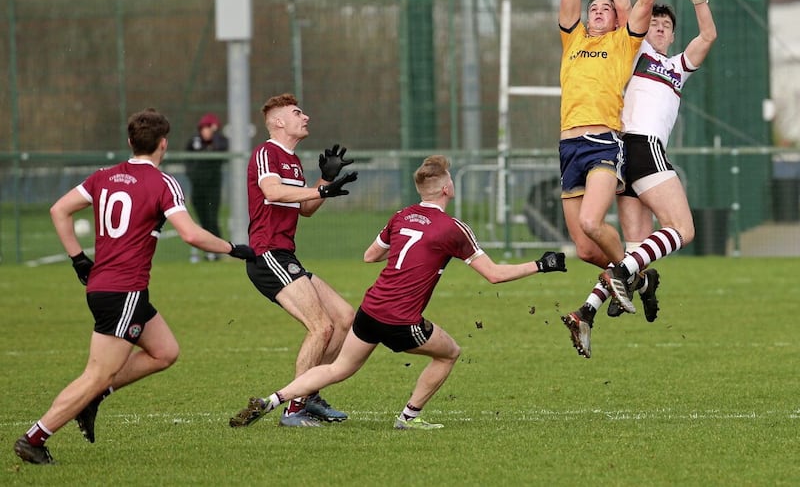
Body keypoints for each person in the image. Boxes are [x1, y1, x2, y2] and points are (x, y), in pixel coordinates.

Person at [228, 155, 567, 431]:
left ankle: (273, 400)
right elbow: (494, 275)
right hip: (401, 319)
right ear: (448, 188)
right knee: (449, 353)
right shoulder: (453, 229)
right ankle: (409, 418)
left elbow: (370, 255)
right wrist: (541, 264)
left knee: (338, 369)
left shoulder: (401, 215)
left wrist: (410, 244)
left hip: (370, 310)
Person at [13, 108, 256, 465]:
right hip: (123, 291)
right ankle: (34, 438)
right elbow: (190, 234)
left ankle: (94, 397)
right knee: (96, 374)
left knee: (165, 351)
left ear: (129, 142)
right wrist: (234, 248)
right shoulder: (162, 183)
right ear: (163, 144)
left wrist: (78, 258)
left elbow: (59, 210)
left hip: (111, 287)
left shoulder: (104, 176)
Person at [562, 0, 717, 357]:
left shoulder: (678, 66)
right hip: (639, 146)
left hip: (624, 160)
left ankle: (586, 311)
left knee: (636, 249)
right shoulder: (637, 52)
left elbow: (707, 37)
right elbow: (631, 9)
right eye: (657, 25)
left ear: (673, 35)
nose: (661, 29)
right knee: (683, 229)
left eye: (668, 27)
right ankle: (630, 276)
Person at [556, 0, 680, 346]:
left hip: (603, 142)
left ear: (614, 19)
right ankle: (640, 281)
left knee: (593, 222)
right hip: (567, 146)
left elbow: (642, 3)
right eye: (595, 7)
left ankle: (627, 278)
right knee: (587, 249)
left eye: (605, 8)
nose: (598, 11)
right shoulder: (573, 39)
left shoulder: (623, 43)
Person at [240, 93, 358, 427]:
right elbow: (273, 193)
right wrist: (321, 191)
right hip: (267, 254)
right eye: (297, 112)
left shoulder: (292, 160)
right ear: (278, 122)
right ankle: (294, 409)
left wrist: (324, 180)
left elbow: (304, 209)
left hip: (285, 254)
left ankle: (309, 396)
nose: (305, 117)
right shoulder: (267, 153)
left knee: (345, 318)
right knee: (320, 327)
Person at [185, 112, 229, 263]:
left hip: (212, 187)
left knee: (212, 219)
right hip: (197, 187)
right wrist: (192, 175)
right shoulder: (194, 142)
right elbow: (187, 161)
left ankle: (217, 251)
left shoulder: (220, 142)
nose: (205, 131)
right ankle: (206, 251)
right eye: (203, 128)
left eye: (209, 128)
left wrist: (214, 136)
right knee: (201, 220)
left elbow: (222, 148)